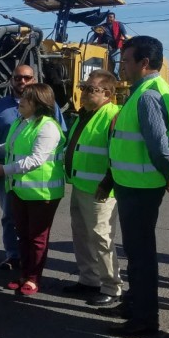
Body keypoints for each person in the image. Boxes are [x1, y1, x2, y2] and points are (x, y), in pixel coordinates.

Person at [102, 36, 169, 337]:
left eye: (126, 60)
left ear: (144, 63)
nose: (121, 66)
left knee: (141, 254)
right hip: (134, 183)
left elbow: (159, 147)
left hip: (141, 186)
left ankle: (145, 319)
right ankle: (134, 305)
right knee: (136, 251)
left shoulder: (148, 95)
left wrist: (165, 176)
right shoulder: (145, 91)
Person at [0, 84, 66, 296]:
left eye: (26, 100)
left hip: (42, 193)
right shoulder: (21, 122)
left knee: (37, 237)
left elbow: (36, 160)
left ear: (38, 104)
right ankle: (24, 274)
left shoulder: (47, 127)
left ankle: (33, 278)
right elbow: (10, 147)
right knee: (23, 235)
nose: (20, 102)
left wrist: (3, 169)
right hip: (20, 190)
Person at [61, 71, 122, 306]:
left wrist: (108, 182)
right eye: (83, 87)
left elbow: (118, 154)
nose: (83, 92)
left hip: (100, 190)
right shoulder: (85, 114)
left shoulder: (113, 115)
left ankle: (111, 286)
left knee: (101, 238)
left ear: (107, 93)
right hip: (80, 185)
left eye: (90, 89)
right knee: (81, 235)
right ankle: (88, 279)